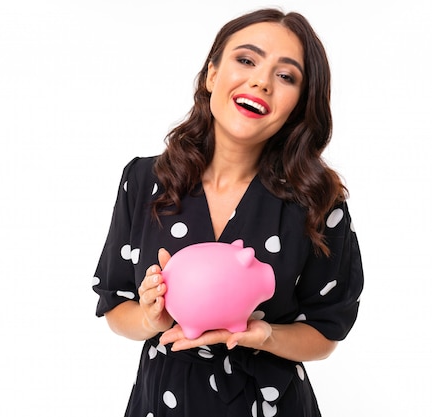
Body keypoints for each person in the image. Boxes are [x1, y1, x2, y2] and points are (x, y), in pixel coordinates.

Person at [92, 7, 364, 417]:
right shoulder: (145, 179)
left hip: (269, 404)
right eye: (246, 60)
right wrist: (153, 317)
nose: (261, 81)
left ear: (299, 103)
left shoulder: (318, 200)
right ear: (212, 75)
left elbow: (326, 332)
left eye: (286, 75)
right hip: (166, 401)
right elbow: (115, 306)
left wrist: (266, 335)